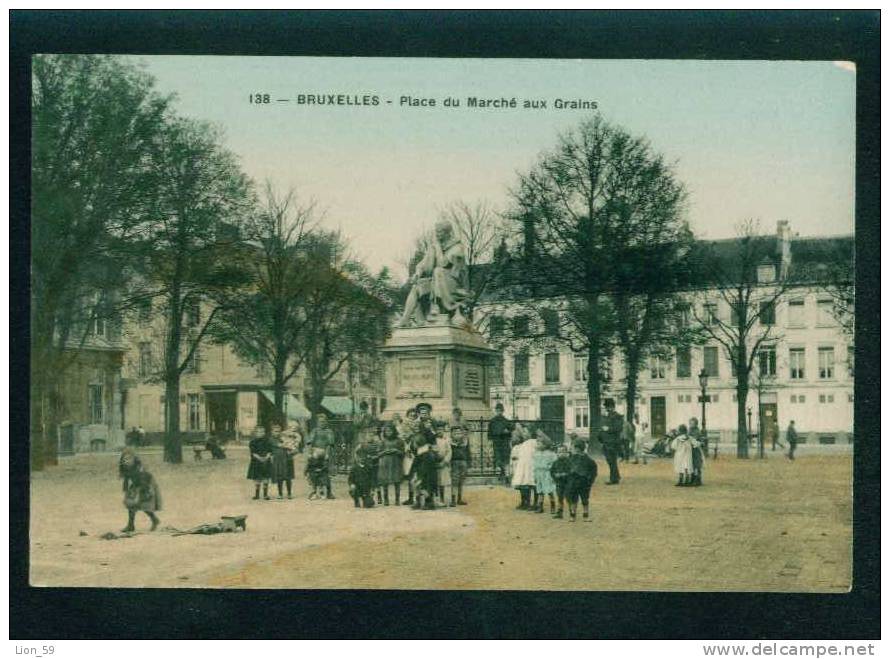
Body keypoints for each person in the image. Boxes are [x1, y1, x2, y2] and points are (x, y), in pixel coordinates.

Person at [118, 448, 161, 532]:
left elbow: (144, 481)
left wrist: (142, 491)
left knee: (143, 505)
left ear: (134, 459)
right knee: (131, 504)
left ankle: (154, 519)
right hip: (136, 484)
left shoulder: (139, 469)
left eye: (129, 459)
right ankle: (131, 525)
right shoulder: (126, 468)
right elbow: (126, 480)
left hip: (146, 484)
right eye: (124, 459)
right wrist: (127, 491)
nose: (127, 461)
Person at [565, 439, 597, 522]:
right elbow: (567, 470)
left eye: (573, 447)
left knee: (584, 499)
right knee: (573, 500)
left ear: (578, 448)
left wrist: (590, 481)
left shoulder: (588, 460)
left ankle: (585, 515)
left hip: (584, 483)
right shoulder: (571, 458)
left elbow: (593, 472)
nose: (572, 449)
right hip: (573, 482)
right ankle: (573, 515)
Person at [305, 414, 336, 499]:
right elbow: (310, 443)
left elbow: (330, 444)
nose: (321, 423)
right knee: (313, 472)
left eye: (323, 421)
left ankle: (329, 492)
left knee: (326, 472)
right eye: (320, 422)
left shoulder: (329, 431)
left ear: (326, 422)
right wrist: (310, 453)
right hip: (315, 453)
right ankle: (314, 490)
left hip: (325, 452)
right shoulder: (314, 431)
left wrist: (326, 454)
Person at [377, 422, 404, 505]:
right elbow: (378, 454)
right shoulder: (383, 441)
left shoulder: (399, 441)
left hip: (396, 463)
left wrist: (397, 451)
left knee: (397, 481)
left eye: (390, 431)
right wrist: (385, 452)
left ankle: (397, 499)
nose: (388, 433)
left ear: (394, 431)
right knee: (385, 482)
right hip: (385, 463)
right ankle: (386, 499)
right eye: (387, 431)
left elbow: (403, 453)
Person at [598, 399, 624, 485]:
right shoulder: (606, 417)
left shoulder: (617, 416)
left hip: (613, 442)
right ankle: (616, 476)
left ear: (612, 407)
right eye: (606, 407)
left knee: (612, 460)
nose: (606, 409)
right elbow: (602, 428)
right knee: (610, 461)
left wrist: (608, 429)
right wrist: (600, 437)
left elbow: (618, 429)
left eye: (607, 407)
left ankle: (613, 479)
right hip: (606, 442)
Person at [510, 424, 536, 510]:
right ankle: (526, 503)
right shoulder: (524, 444)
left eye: (525, 432)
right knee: (525, 485)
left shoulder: (534, 442)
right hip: (524, 468)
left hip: (532, 467)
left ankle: (535, 504)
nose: (523, 434)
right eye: (523, 432)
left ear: (531, 433)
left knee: (533, 485)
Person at [488, 403, 514, 485]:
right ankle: (502, 473)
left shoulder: (506, 421)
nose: (499, 412)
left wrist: (508, 432)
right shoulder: (492, 421)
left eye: (500, 411)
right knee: (498, 460)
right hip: (496, 443)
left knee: (505, 460)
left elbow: (511, 431)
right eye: (497, 410)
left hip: (505, 443)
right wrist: (489, 443)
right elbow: (489, 433)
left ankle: (505, 477)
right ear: (495, 411)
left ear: (503, 411)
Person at [349, 433, 377, 508]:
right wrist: (352, 485)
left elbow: (372, 479)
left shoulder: (368, 468)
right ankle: (356, 500)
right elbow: (350, 479)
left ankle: (366, 499)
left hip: (366, 489)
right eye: (360, 457)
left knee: (369, 505)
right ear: (357, 458)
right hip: (358, 488)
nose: (362, 459)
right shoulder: (354, 468)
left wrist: (372, 490)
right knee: (353, 490)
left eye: (363, 457)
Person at [532, 436, 558, 514]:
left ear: (545, 444)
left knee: (549, 490)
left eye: (539, 443)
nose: (537, 445)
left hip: (547, 473)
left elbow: (554, 464)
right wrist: (534, 475)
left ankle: (553, 506)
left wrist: (551, 471)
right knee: (540, 491)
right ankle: (540, 507)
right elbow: (534, 465)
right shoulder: (536, 454)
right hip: (539, 473)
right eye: (537, 443)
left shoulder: (551, 454)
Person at [270, 424, 297, 499]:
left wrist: (292, 450)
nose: (277, 433)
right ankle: (280, 494)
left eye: (279, 431)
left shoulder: (283, 438)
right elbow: (281, 445)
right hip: (278, 460)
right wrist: (288, 444)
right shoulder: (271, 439)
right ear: (272, 432)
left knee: (288, 477)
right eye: (275, 431)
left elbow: (293, 448)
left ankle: (289, 493)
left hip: (287, 459)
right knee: (280, 477)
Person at [247, 426, 273, 500]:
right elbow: (253, 452)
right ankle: (257, 494)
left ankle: (265, 494)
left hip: (266, 461)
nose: (262, 433)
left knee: (266, 478)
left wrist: (267, 457)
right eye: (259, 432)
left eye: (263, 432)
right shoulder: (253, 442)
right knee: (257, 478)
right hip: (256, 462)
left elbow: (270, 451)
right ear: (255, 433)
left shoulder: (267, 441)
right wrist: (260, 458)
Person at [449, 425, 470, 506]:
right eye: (455, 433)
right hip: (454, 462)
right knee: (454, 481)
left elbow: (468, 452)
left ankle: (459, 499)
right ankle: (453, 500)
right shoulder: (450, 441)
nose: (457, 434)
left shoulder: (465, 441)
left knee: (461, 481)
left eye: (459, 432)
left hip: (463, 462)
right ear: (451, 434)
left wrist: (468, 462)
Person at [550, 444, 572, 519]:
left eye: (563, 451)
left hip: (568, 483)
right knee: (560, 497)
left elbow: (572, 472)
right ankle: (559, 512)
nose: (561, 453)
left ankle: (572, 512)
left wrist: (564, 474)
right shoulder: (555, 462)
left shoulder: (569, 462)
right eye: (559, 452)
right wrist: (554, 476)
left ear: (567, 452)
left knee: (569, 498)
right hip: (559, 483)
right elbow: (552, 471)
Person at [434, 421, 453, 506]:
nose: (440, 431)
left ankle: (442, 499)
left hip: (443, 464)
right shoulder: (433, 439)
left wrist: (445, 461)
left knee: (442, 482)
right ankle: (435, 499)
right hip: (435, 464)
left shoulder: (446, 440)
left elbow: (449, 451)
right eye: (438, 429)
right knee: (435, 481)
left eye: (441, 429)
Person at [688, 417, 705, 486]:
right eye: (690, 423)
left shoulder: (697, 431)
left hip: (696, 450)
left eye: (692, 423)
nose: (690, 425)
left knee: (697, 465)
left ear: (695, 424)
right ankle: (692, 479)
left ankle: (698, 480)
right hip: (690, 450)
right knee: (691, 465)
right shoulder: (689, 430)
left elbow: (695, 439)